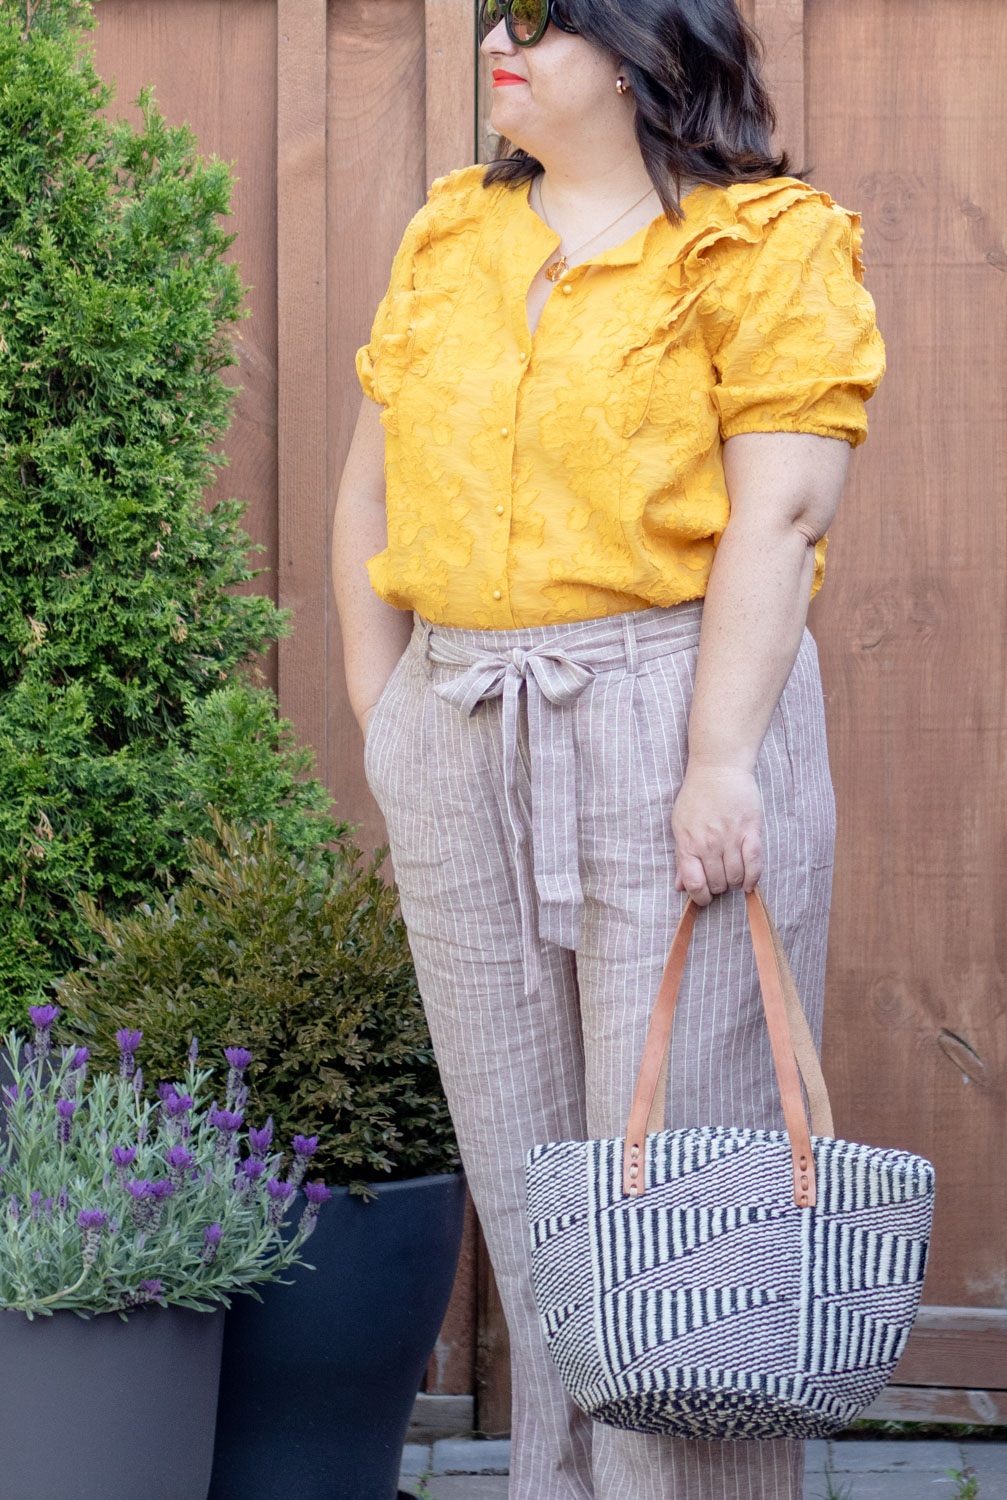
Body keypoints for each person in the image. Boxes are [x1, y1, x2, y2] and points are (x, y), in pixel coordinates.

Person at [332, 0, 886, 1494]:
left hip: (672, 710)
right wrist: (387, 715)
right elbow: (369, 495)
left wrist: (721, 761)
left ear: (644, 52)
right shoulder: (452, 234)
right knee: (537, 1200)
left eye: (540, 19)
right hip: (461, 720)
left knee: (682, 1205)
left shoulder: (762, 244)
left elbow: (780, 512)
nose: (498, 42)